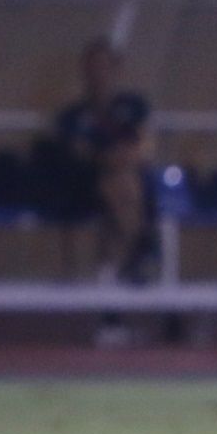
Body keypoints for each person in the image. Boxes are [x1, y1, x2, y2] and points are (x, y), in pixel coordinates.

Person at [52, 38, 154, 284]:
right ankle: (141, 249)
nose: (98, 73)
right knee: (117, 182)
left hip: (128, 180)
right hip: (87, 183)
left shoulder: (133, 105)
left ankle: (133, 258)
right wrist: (110, 159)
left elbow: (146, 143)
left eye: (104, 66)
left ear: (116, 69)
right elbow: (80, 151)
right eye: (92, 67)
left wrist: (126, 157)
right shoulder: (73, 114)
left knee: (123, 184)